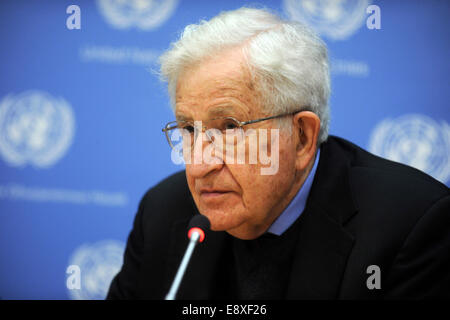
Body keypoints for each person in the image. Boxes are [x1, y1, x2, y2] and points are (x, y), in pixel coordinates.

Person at [107, 7, 450, 299]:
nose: (197, 165)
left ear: (302, 137)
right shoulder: (162, 212)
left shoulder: (411, 226)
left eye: (229, 129)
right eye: (189, 130)